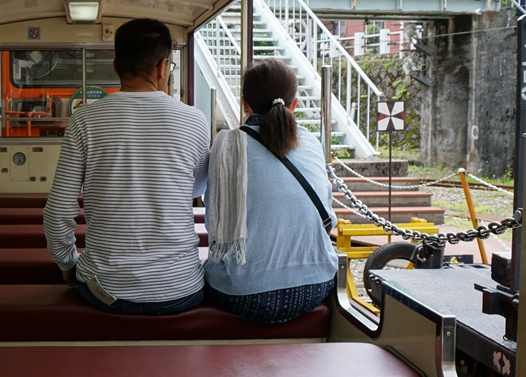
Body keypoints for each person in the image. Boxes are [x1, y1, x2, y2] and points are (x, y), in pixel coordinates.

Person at [43, 18, 209, 315]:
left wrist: (68, 264)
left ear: (116, 67)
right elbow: (195, 189)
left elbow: (57, 214)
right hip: (181, 288)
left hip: (105, 290)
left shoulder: (84, 121)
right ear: (162, 68)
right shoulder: (195, 120)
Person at [203, 59, 337, 324]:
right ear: (294, 104)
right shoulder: (311, 142)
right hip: (315, 287)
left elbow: (215, 224)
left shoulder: (227, 143)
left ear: (244, 103)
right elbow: (329, 219)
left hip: (244, 295)